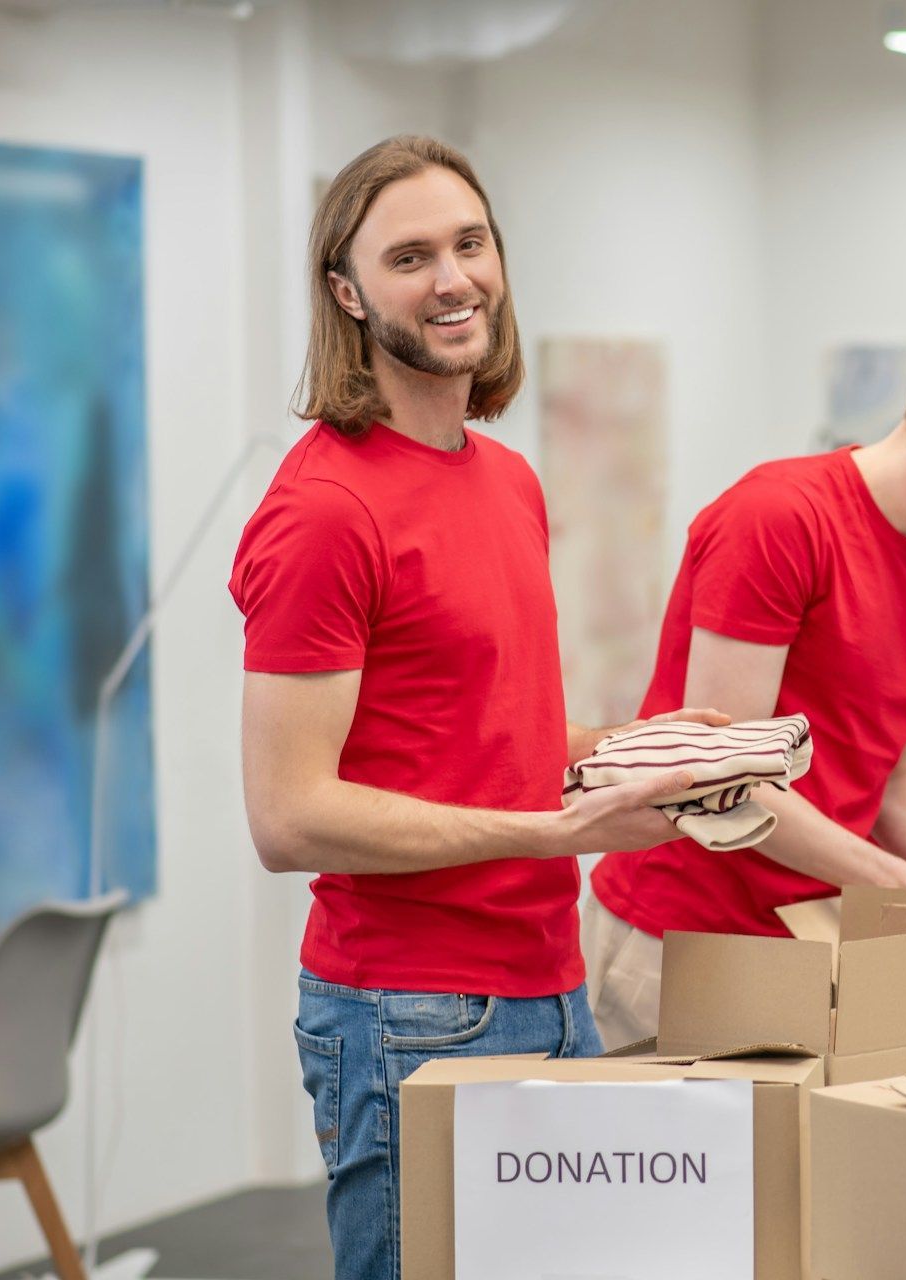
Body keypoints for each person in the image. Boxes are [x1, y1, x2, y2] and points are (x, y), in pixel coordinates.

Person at [229, 134, 720, 1279]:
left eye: (470, 242)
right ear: (347, 293)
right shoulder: (323, 511)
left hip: (553, 983)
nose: (454, 277)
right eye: (410, 256)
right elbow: (288, 816)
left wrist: (635, 750)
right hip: (407, 1010)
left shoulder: (506, 479)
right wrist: (560, 833)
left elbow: (483, 748)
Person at [581, 309, 906, 1048]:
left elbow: (898, 781)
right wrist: (904, 884)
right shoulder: (779, 519)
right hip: (674, 938)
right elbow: (723, 779)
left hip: (812, 938)